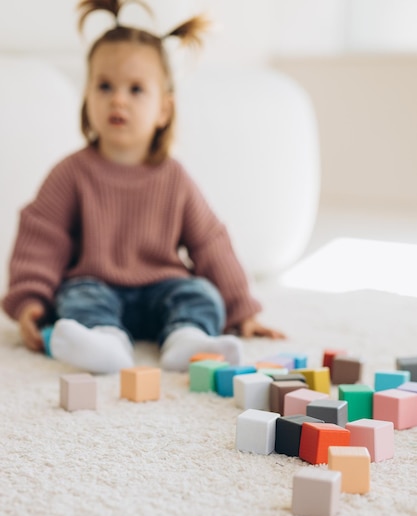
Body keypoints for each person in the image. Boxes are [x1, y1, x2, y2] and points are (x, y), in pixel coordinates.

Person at [2, 0, 285, 375]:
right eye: (104, 86)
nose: (118, 98)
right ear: (87, 97)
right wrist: (30, 300)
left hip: (162, 288)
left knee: (199, 295)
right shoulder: (70, 173)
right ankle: (103, 341)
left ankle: (188, 339)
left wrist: (242, 309)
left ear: (163, 110)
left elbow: (210, 243)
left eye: (136, 89)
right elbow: (42, 237)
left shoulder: (175, 178)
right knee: (76, 297)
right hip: (96, 285)